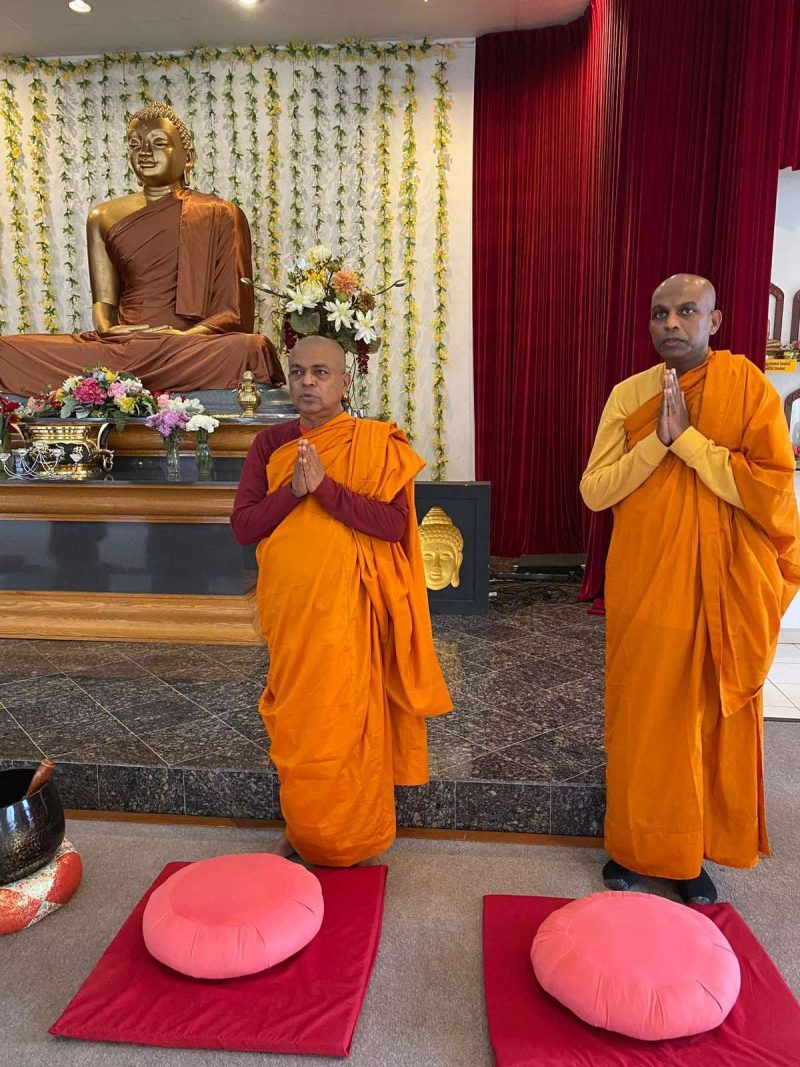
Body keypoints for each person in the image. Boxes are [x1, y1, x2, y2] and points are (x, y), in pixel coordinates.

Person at [580, 274, 800, 904]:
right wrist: (658, 442)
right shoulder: (630, 395)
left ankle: (688, 853)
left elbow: (770, 492)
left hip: (715, 591)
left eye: (685, 311)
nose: (671, 324)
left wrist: (693, 443)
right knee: (641, 717)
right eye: (659, 313)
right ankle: (630, 846)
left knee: (698, 722)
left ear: (715, 321)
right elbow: (595, 490)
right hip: (644, 581)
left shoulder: (747, 390)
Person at [231, 334, 452, 866]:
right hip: (292, 610)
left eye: (321, 372)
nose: (307, 381)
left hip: (351, 610)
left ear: (344, 381)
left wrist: (325, 489)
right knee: (299, 722)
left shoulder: (373, 442)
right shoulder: (269, 444)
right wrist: (293, 491)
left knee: (346, 720)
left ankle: (351, 831)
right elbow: (244, 526)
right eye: (298, 372)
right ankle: (302, 826)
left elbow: (393, 524)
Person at [0, 102, 284, 395]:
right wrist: (107, 329)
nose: (145, 153)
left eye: (158, 143)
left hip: (186, 347)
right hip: (123, 345)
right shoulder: (103, 216)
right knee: (5, 351)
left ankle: (128, 376)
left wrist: (185, 335)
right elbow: (105, 304)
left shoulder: (220, 213)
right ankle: (120, 376)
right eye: (135, 145)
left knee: (251, 348)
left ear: (188, 158)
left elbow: (234, 312)